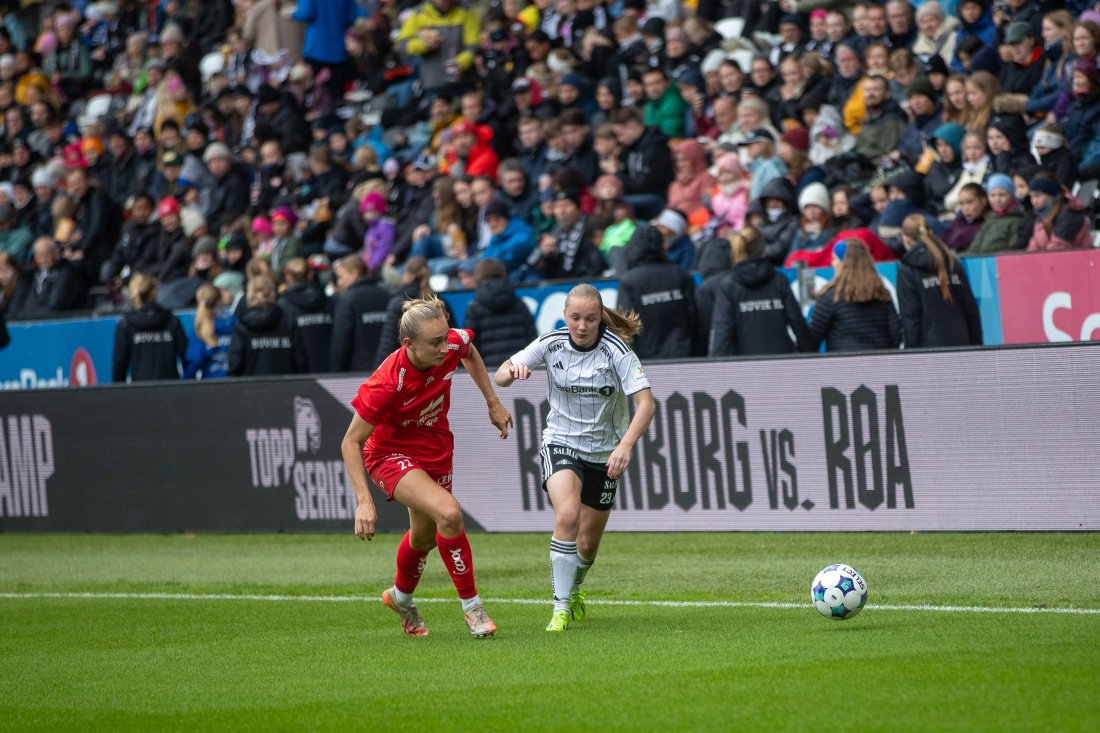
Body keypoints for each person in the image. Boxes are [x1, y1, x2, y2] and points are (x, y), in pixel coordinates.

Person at [341, 297, 511, 638]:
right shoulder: (387, 384)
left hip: (435, 448)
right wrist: (363, 500)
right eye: (435, 342)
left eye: (445, 337)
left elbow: (470, 351)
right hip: (389, 455)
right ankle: (473, 607)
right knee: (448, 513)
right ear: (409, 345)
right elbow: (350, 442)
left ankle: (400, 598)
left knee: (424, 537)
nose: (444, 346)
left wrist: (493, 402)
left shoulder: (451, 342)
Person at [494, 283, 655, 632]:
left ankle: (575, 588)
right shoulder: (550, 343)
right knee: (567, 514)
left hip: (604, 452)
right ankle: (560, 609)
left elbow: (647, 404)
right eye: (575, 318)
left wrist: (624, 446)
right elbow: (500, 375)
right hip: (561, 442)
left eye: (591, 319)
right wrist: (513, 372)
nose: (582, 326)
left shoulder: (617, 351)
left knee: (587, 547)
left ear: (601, 319)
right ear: (565, 316)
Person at [709, 227, 815, 357]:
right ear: (763, 250)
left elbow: (722, 333)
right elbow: (798, 324)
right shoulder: (779, 280)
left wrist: (716, 367)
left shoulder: (729, 285)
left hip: (744, 365)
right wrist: (810, 358)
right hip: (782, 362)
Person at [896, 213, 983, 348]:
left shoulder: (907, 270)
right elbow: (970, 308)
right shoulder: (952, 262)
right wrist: (977, 344)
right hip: (962, 339)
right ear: (930, 233)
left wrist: (910, 354)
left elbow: (911, 318)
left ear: (905, 238)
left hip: (930, 345)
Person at [807, 240, 901, 352]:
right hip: (879, 363)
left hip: (843, 365)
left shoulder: (831, 295)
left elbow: (812, 339)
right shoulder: (882, 294)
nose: (832, 264)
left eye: (834, 259)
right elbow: (895, 336)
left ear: (844, 262)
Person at [112, 272, 188, 383]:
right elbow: (186, 356)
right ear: (154, 293)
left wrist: (119, 393)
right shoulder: (172, 320)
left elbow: (119, 363)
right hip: (171, 389)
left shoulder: (126, 324)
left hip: (140, 389)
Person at [462, 258, 537, 368]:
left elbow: (469, 346)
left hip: (489, 372)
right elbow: (532, 338)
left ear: (478, 276)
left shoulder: (474, 307)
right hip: (519, 369)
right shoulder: (520, 304)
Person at [227, 275, 306, 376]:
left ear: (250, 295)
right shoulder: (287, 320)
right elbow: (299, 359)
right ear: (273, 293)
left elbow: (235, 362)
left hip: (252, 387)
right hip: (286, 386)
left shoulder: (242, 325)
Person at [330, 254, 392, 372]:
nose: (339, 283)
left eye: (341, 277)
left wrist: (336, 372)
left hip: (358, 374)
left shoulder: (347, 300)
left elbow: (341, 341)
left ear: (354, 273)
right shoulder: (387, 295)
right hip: (389, 371)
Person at [185, 282, 236, 379]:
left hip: (210, 383)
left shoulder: (200, 327)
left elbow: (195, 360)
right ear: (220, 300)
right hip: (235, 381)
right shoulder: (234, 322)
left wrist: (186, 382)